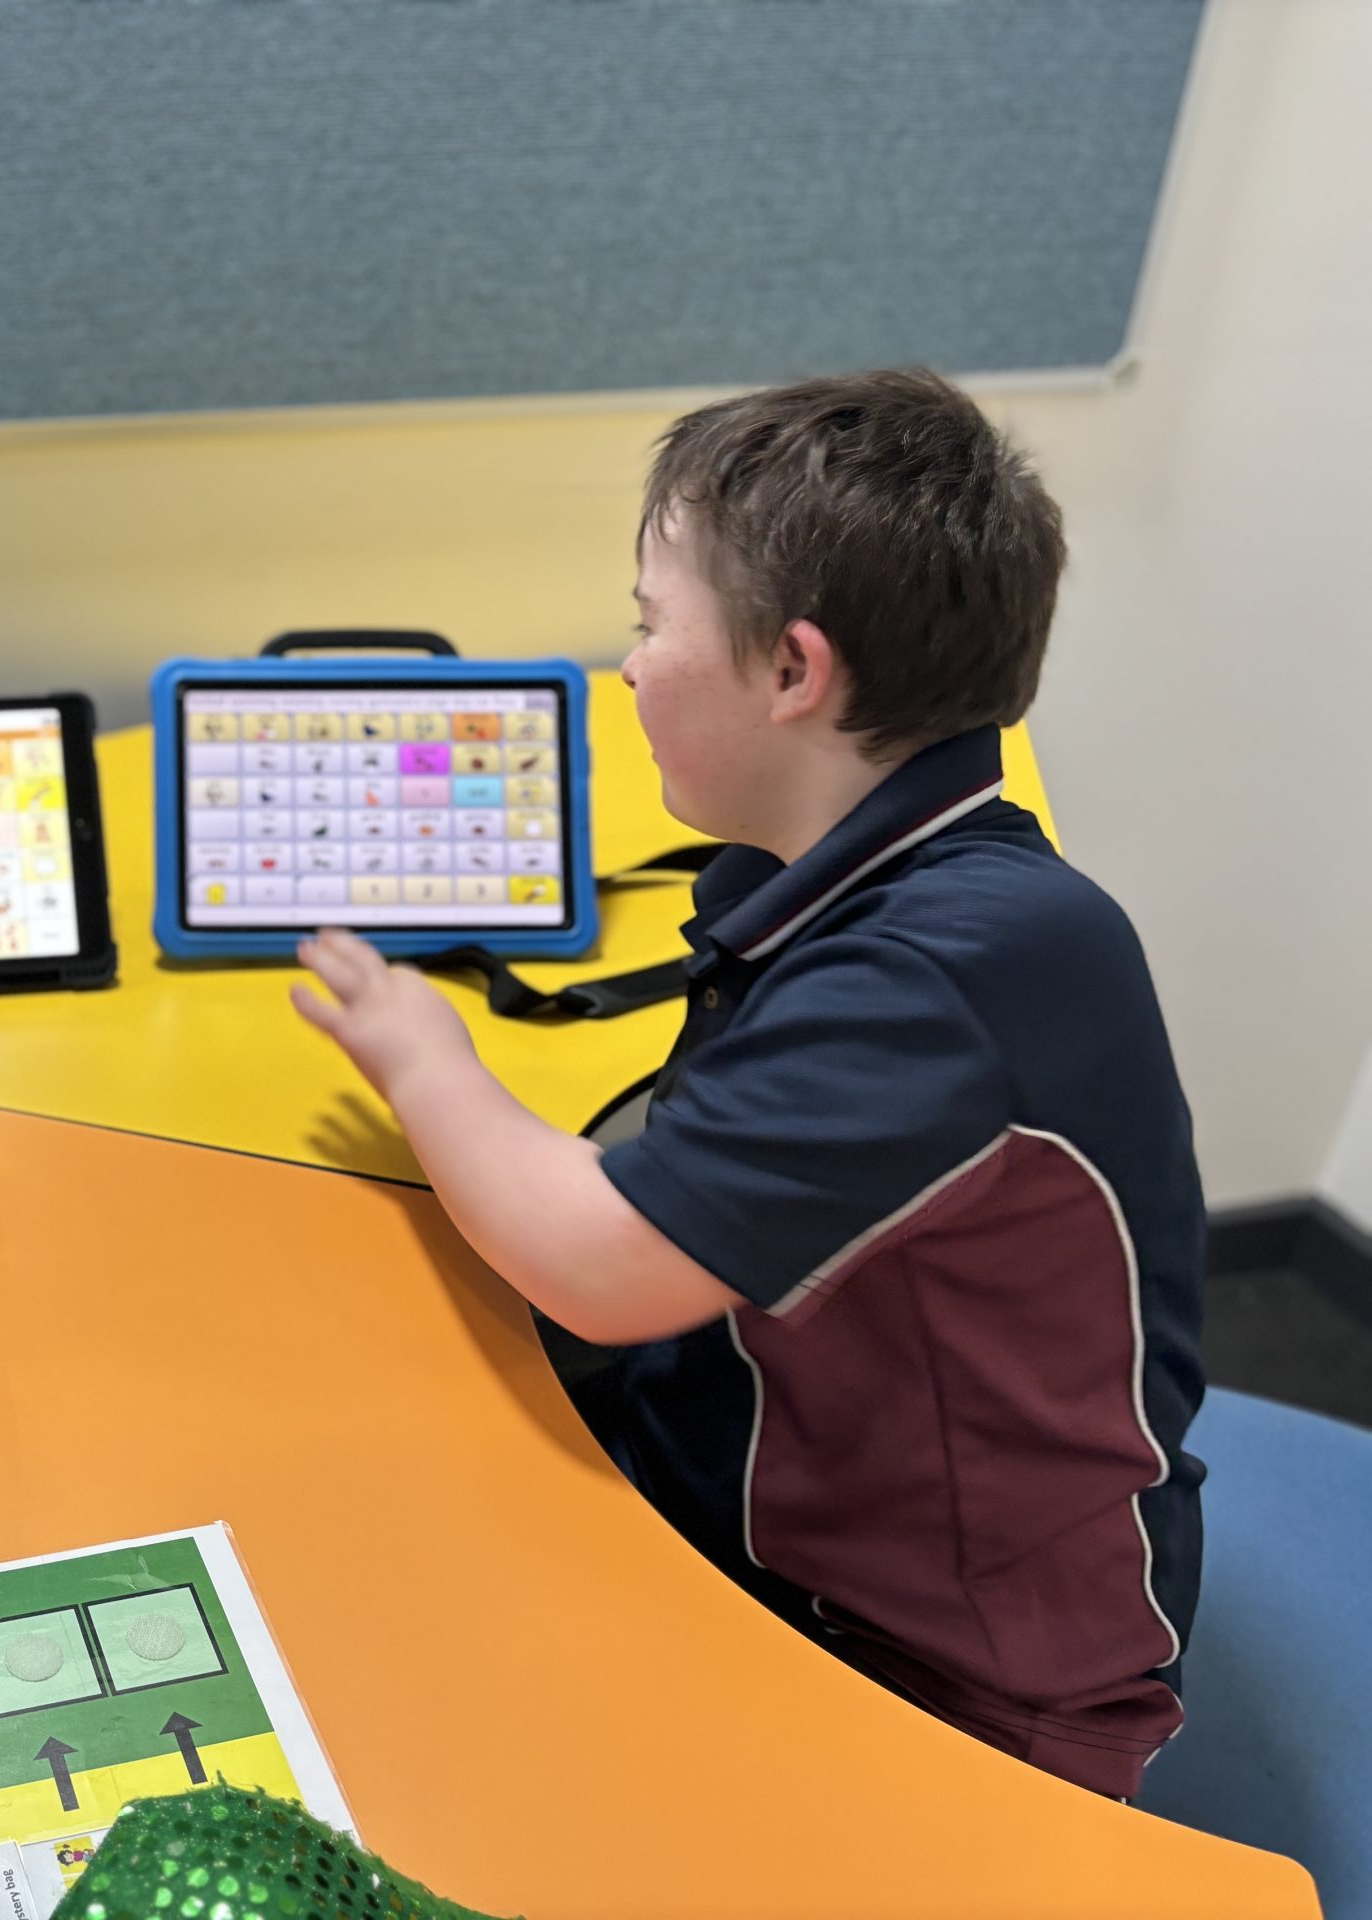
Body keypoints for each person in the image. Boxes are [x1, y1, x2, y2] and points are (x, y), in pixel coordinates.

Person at [292, 369, 1202, 1799]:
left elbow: (602, 1268)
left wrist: (422, 1052)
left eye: (653, 625)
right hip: (766, 1486)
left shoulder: (941, 973)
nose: (630, 666)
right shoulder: (886, 873)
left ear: (793, 672)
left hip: (959, 1678)